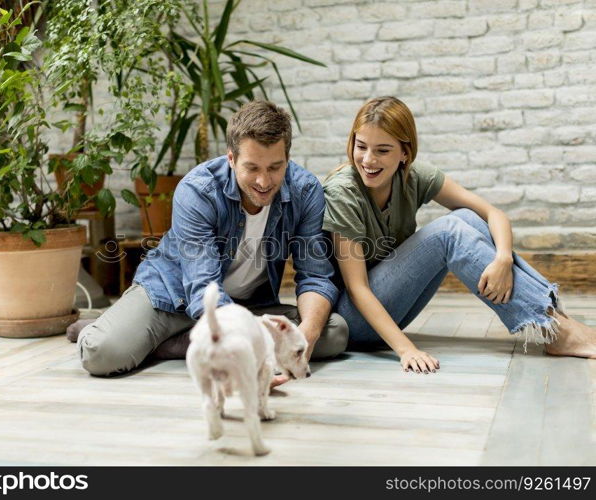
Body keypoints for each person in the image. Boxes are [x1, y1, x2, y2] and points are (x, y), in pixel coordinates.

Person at [76, 100, 348, 384]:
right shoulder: (198, 190)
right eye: (252, 167)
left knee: (334, 332)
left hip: (247, 308)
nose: (264, 181)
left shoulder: (305, 190)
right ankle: (128, 330)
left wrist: (306, 337)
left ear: (288, 158)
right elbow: (203, 286)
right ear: (231, 158)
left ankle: (173, 343)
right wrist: (253, 357)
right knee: (102, 353)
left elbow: (315, 276)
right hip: (173, 298)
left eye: (275, 167)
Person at [322, 96, 596, 374]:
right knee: (448, 233)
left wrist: (502, 259)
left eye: (382, 150)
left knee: (465, 217)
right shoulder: (343, 192)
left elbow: (492, 214)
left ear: (405, 153)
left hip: (388, 311)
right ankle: (557, 331)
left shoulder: (412, 176)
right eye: (361, 146)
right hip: (351, 321)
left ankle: (554, 320)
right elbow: (357, 289)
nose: (368, 159)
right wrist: (406, 349)